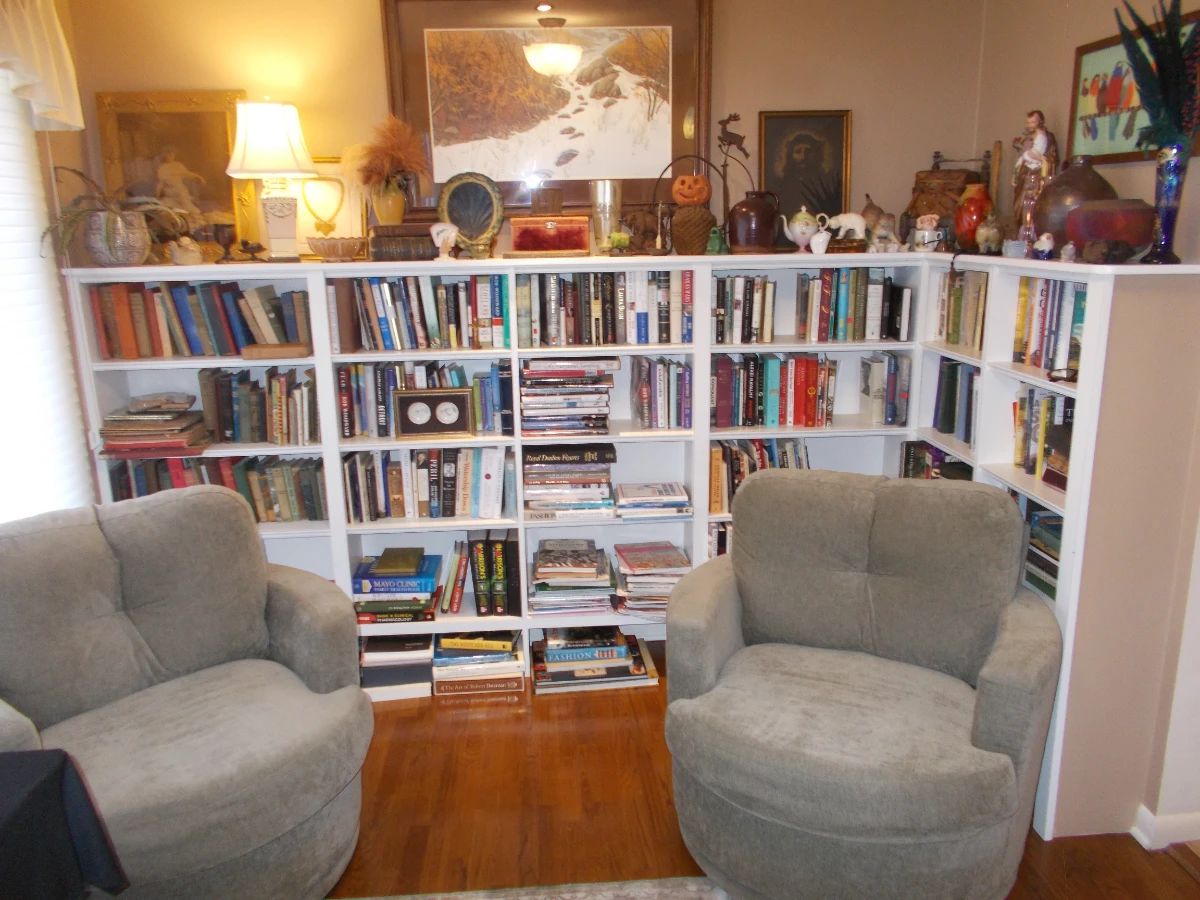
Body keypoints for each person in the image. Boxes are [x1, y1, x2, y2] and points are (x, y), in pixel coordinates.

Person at [1011, 110, 1058, 239]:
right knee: (1019, 205)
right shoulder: (1028, 138)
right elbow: (1022, 157)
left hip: (1035, 175)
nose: (1030, 125)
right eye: (1028, 122)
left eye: (1033, 122)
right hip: (1024, 173)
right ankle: (1021, 231)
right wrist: (1016, 173)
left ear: (1040, 122)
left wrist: (1028, 155)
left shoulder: (1043, 136)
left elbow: (1039, 155)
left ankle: (1029, 234)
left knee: (1028, 204)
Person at [155, 145, 206, 229]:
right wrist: (157, 196)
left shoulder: (178, 165)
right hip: (170, 192)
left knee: (187, 206)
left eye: (172, 154)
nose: (170, 156)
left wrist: (198, 177)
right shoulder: (162, 168)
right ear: (164, 156)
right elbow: (160, 184)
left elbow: (187, 173)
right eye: (167, 154)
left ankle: (196, 224)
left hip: (180, 190)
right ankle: (177, 225)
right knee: (167, 209)